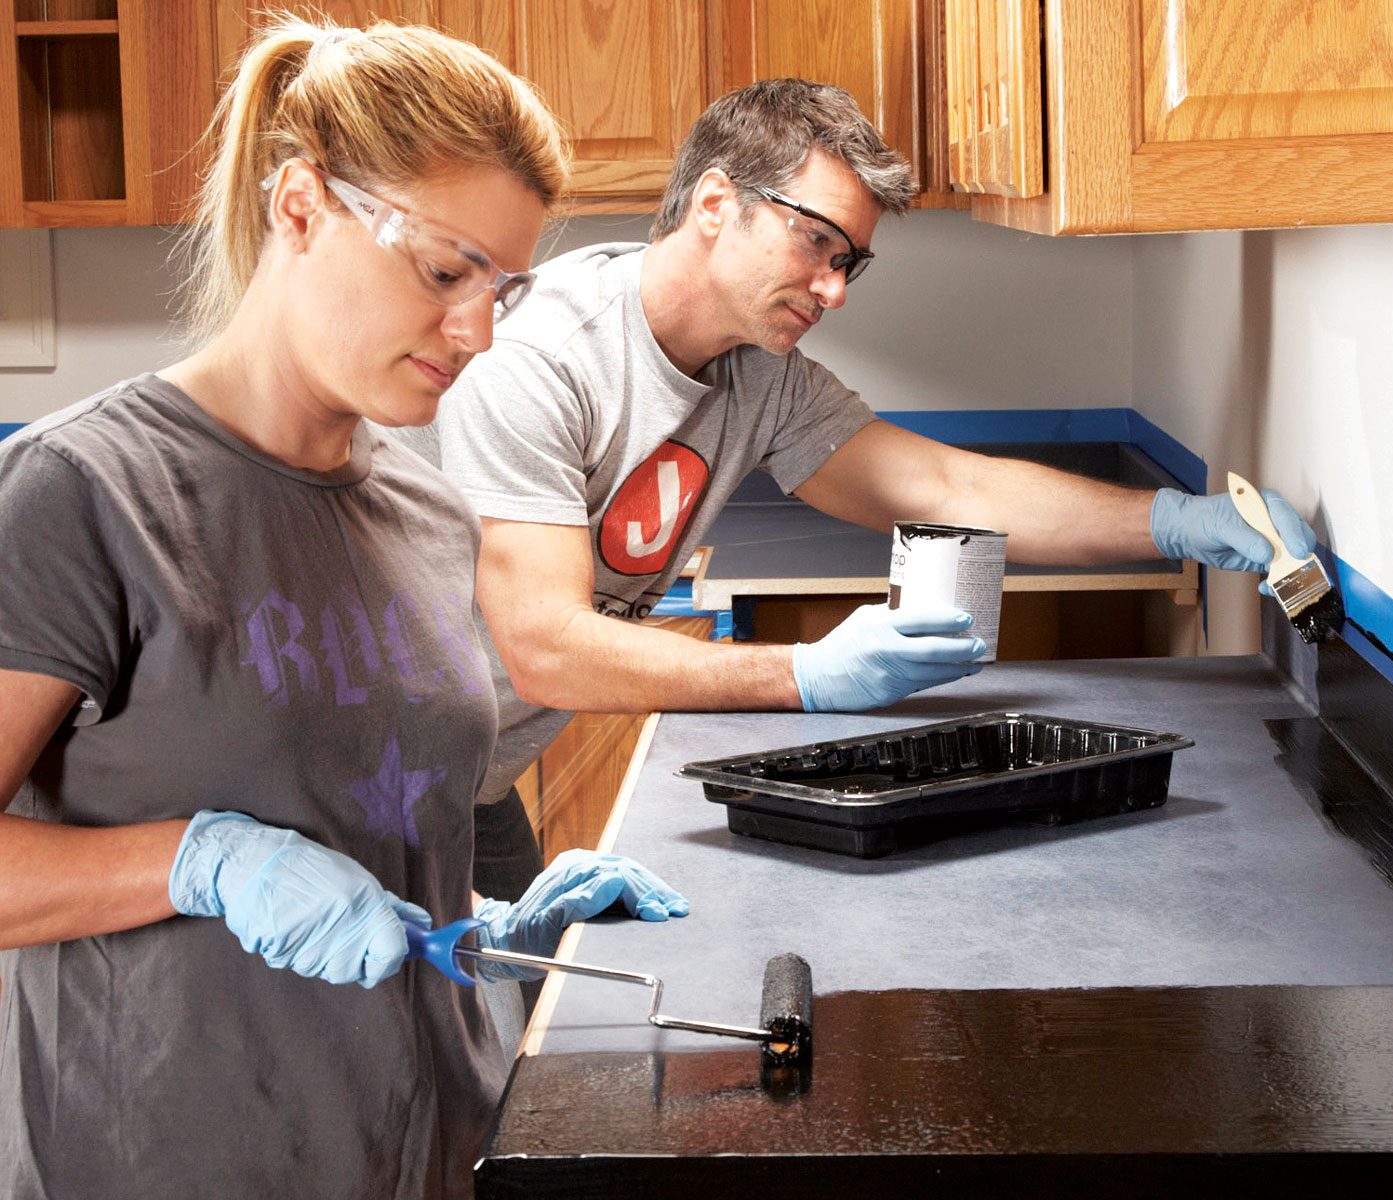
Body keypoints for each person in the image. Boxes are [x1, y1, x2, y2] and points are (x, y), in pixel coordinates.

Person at [0, 18, 686, 1199]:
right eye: (446, 272)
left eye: (503, 287)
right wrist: (198, 863)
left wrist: (485, 924)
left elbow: (360, 834)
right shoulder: (82, 495)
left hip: (433, 1154)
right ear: (302, 204)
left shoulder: (428, 512)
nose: (479, 331)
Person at [397, 79, 1320, 902]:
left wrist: (1176, 521)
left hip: (468, 782)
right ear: (716, 203)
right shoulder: (540, 361)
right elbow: (546, 649)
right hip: (364, 791)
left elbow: (948, 484)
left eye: (851, 262)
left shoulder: (759, 376)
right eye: (817, 242)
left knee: (525, 1021)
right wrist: (803, 674)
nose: (834, 289)